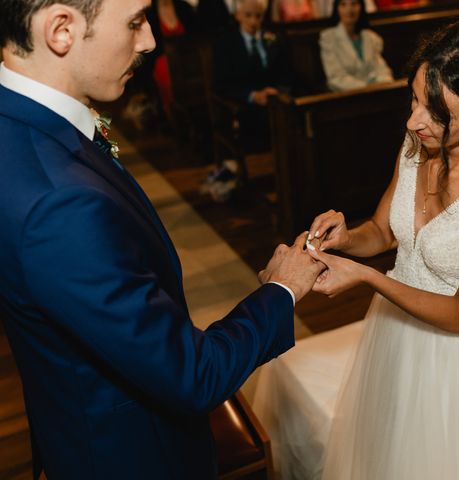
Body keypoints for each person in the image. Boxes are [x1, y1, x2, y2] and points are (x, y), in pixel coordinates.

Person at [0, 0, 324, 478]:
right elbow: (191, 376)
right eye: (134, 21)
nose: (150, 39)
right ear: (61, 30)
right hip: (133, 455)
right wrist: (283, 289)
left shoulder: (21, 126)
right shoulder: (58, 202)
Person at [254, 16, 459, 479]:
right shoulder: (417, 143)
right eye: (414, 98)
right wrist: (348, 238)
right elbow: (385, 230)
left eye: (437, 112)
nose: (414, 120)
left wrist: (369, 276)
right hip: (393, 332)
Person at [205, 0, 292, 200]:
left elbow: (286, 73)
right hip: (244, 108)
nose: (254, 21)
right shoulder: (226, 44)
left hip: (274, 101)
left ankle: (290, 178)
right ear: (238, 16)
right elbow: (221, 84)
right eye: (248, 16)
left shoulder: (273, 39)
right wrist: (252, 96)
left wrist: (277, 91)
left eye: (258, 16)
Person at [319, 0, 393, 92]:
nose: (349, 9)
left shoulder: (370, 37)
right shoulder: (328, 38)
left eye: (354, 4)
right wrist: (367, 87)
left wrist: (385, 82)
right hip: (346, 97)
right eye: (343, 4)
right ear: (336, 8)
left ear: (361, 6)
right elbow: (336, 78)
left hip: (376, 93)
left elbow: (381, 69)